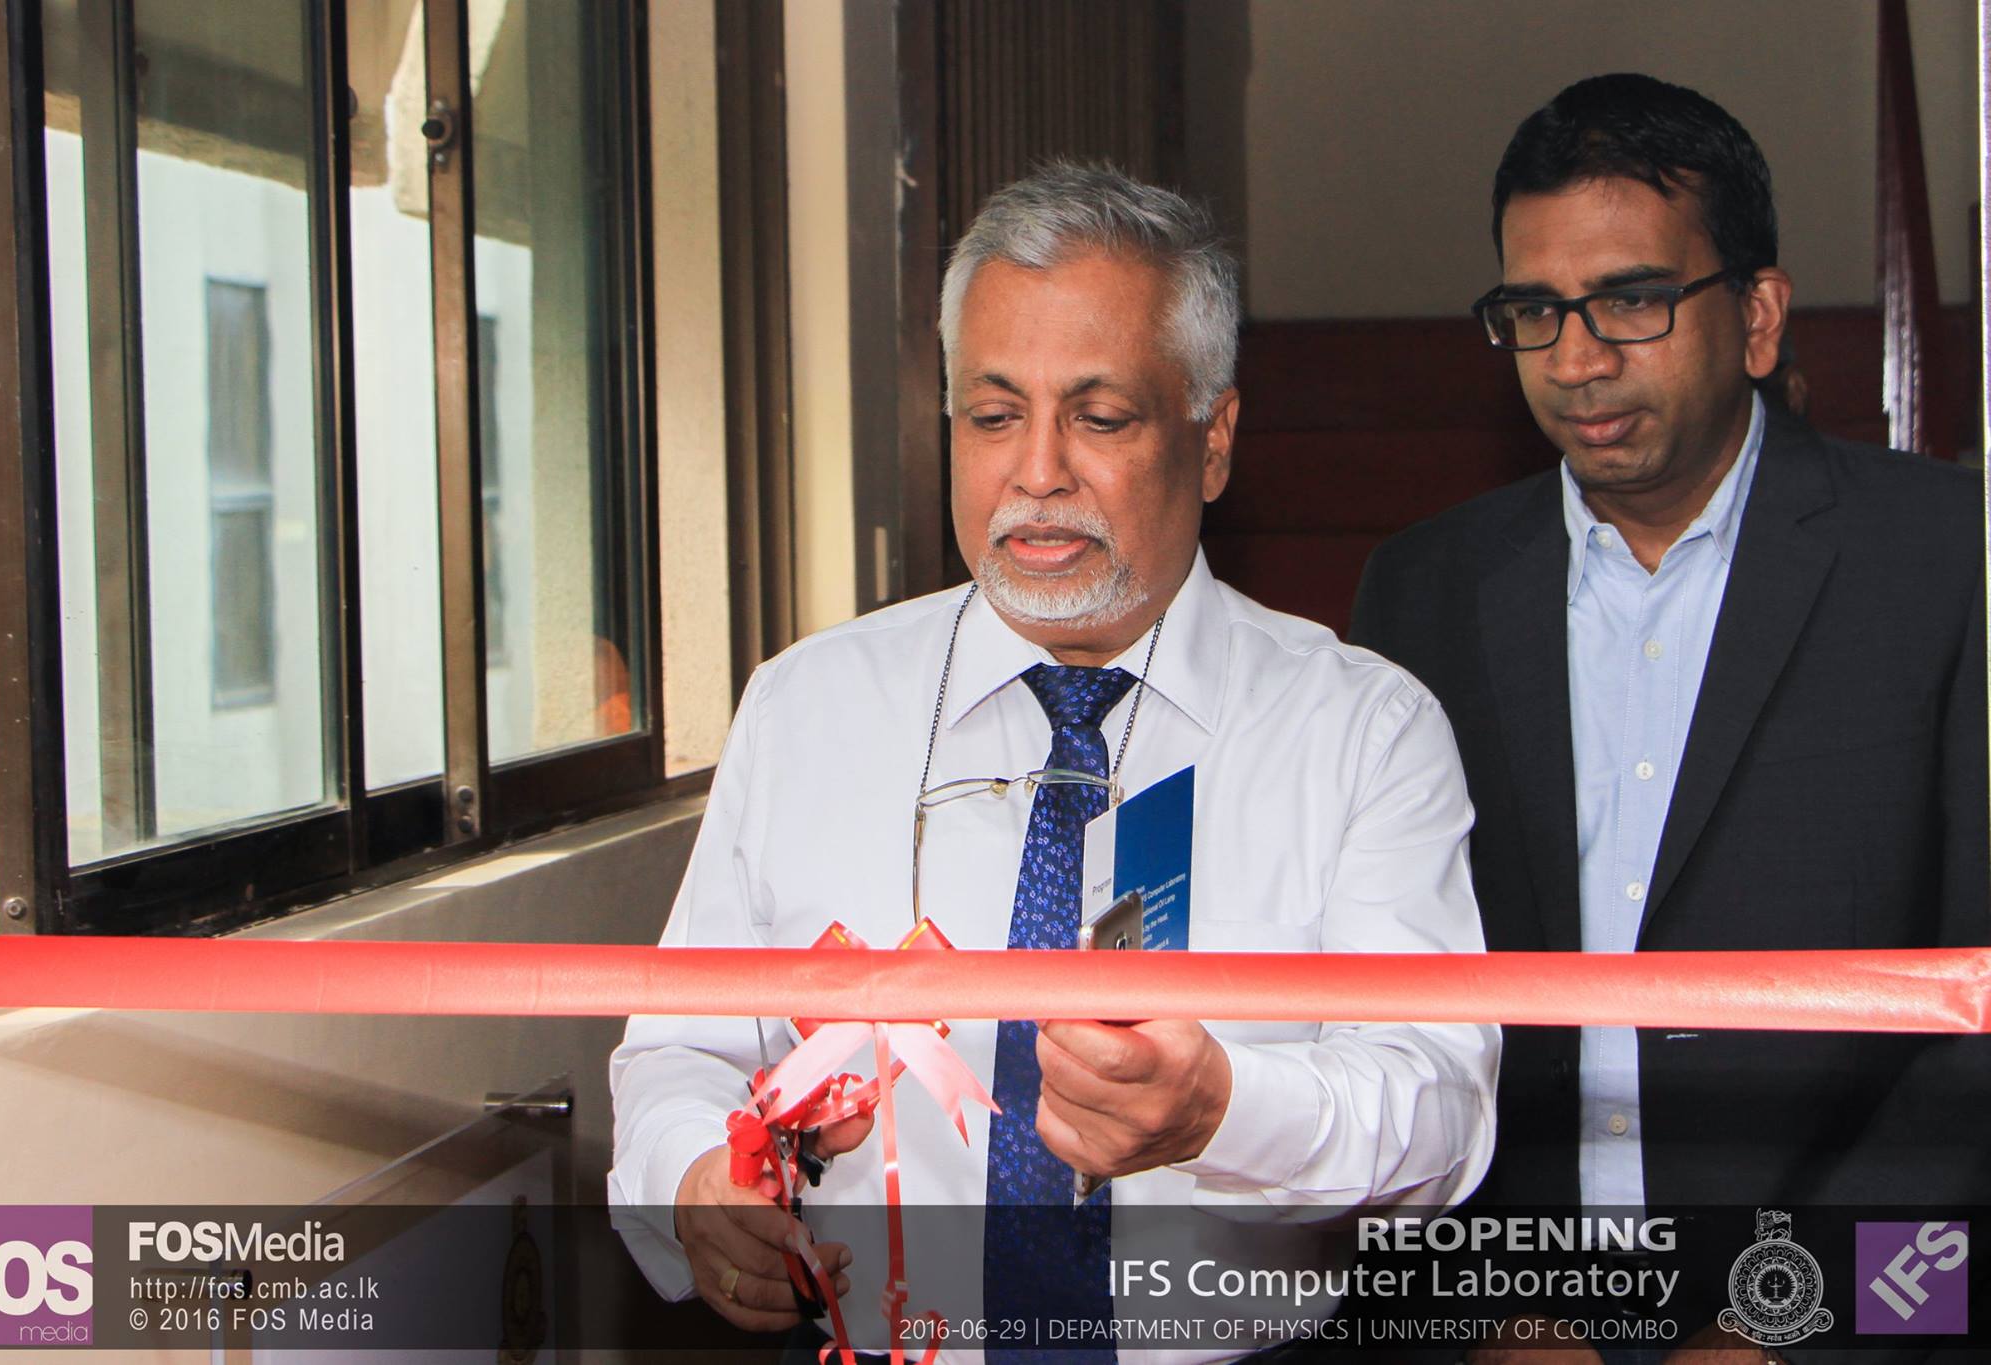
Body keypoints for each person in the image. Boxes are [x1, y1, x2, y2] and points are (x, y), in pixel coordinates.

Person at [611, 163, 1498, 1363]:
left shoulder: (1362, 731)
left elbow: (1440, 1109)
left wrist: (1222, 1111)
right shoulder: (806, 707)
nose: (1035, 472)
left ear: (1213, 437)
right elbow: (678, 1050)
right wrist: (689, 1186)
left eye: (1098, 417)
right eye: (990, 416)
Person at [1350, 73, 1989, 1219]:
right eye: (1533, 310)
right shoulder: (1422, 591)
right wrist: (1493, 1313)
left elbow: (1973, 1031)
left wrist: (1784, 1329)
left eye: (1631, 300)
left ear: (1755, 318)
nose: (1575, 359)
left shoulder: (1946, 562)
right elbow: (1391, 998)